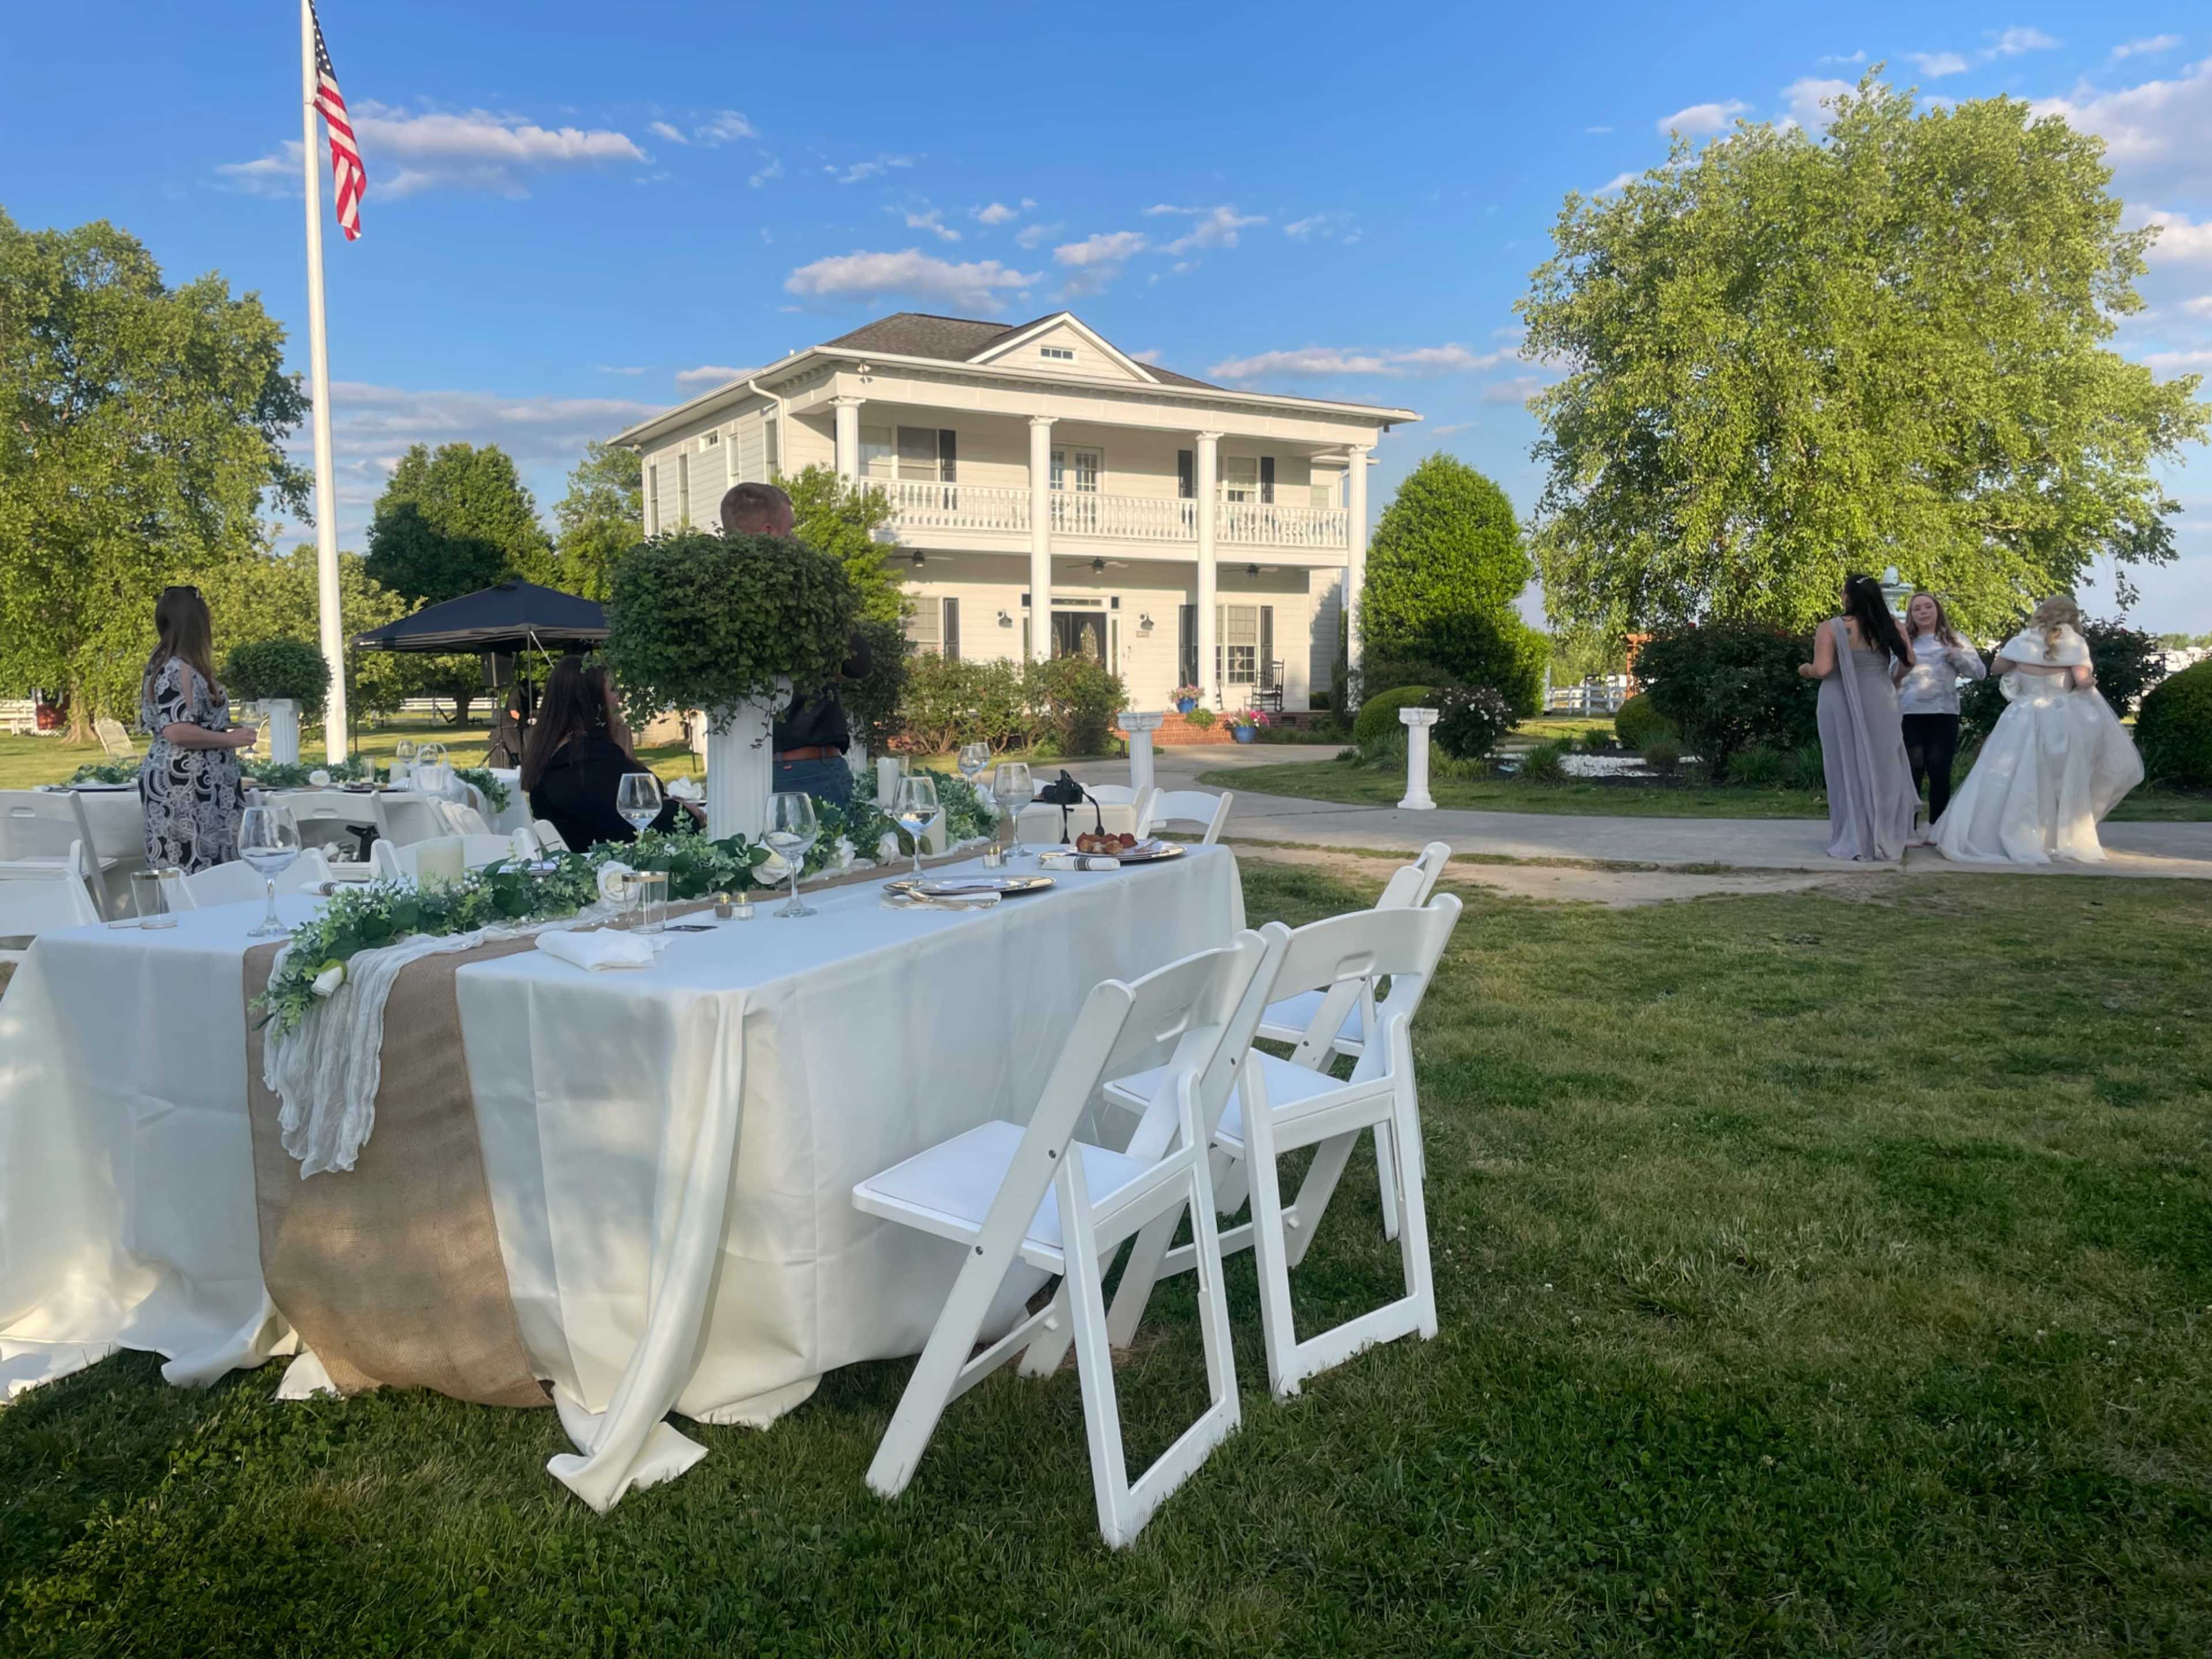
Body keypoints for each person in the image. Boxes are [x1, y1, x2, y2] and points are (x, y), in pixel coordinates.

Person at [1934, 596, 2143, 864]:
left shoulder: (2022, 641)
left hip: (2022, 715)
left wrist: (2023, 665)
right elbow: (2082, 683)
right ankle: (2051, 837)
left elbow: (1997, 668)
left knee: (2007, 774)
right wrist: (2085, 677)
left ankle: (1996, 832)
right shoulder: (2074, 644)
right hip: (2060, 717)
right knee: (2057, 777)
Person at [720, 481, 869, 807]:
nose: (797, 540)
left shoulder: (716, 599)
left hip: (735, 771)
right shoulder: (801, 596)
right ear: (769, 532)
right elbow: (859, 664)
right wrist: (827, 598)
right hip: (809, 769)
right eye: (792, 531)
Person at [521, 656, 700, 852]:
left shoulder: (552, 754)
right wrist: (688, 814)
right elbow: (638, 822)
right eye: (613, 689)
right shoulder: (588, 759)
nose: (620, 698)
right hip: (604, 870)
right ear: (591, 699)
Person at [1798, 573, 1918, 861]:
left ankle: (1853, 834)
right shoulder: (1891, 626)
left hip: (1838, 698)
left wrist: (1806, 669)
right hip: (1880, 696)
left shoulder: (1831, 628)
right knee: (1885, 765)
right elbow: (1909, 662)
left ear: (1848, 597)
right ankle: (1886, 835)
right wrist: (1895, 680)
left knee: (1845, 764)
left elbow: (1824, 669)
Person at [138, 585, 256, 873]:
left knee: (201, 870)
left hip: (197, 782)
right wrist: (230, 739)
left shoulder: (164, 663)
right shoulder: (177, 669)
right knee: (193, 872)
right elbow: (177, 731)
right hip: (185, 786)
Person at [1896, 590, 1988, 843]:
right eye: (1917, 609)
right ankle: (1908, 828)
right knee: (1913, 769)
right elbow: (1889, 672)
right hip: (1909, 712)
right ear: (1911, 615)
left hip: (1943, 713)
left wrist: (1957, 657)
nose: (1923, 612)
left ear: (1937, 611)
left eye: (1928, 607)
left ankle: (1938, 827)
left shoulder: (1956, 640)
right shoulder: (1904, 641)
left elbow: (1980, 672)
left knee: (1939, 770)